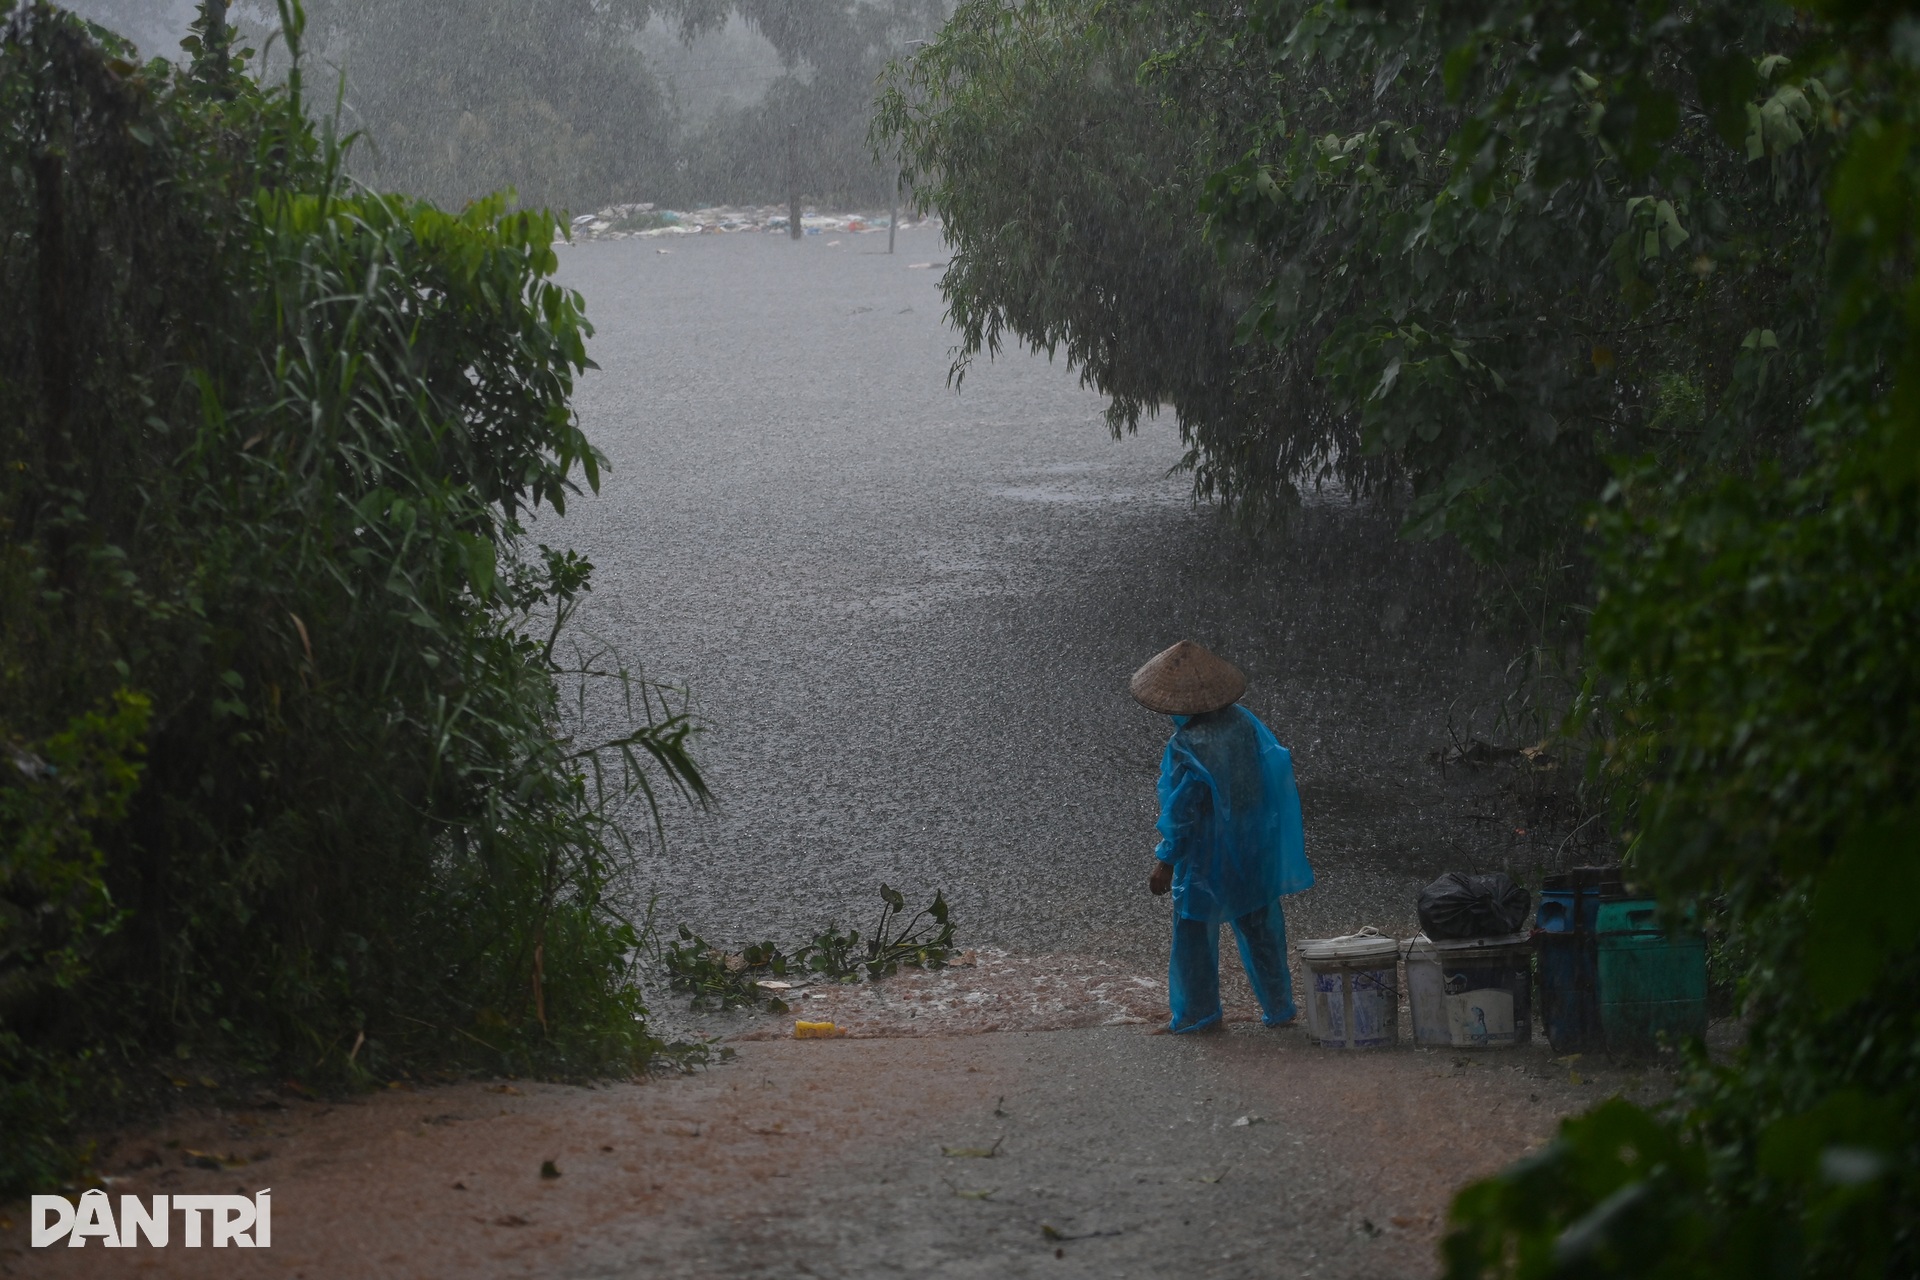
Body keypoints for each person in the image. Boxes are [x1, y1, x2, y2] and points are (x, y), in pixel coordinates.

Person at [1131, 639, 1312, 1034]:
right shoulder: (1245, 722)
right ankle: (1280, 1009)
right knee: (1260, 927)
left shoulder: (1185, 745)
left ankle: (1199, 1014)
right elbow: (1265, 775)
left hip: (1207, 856)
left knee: (1194, 933)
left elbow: (1183, 810)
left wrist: (1166, 860)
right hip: (1252, 843)